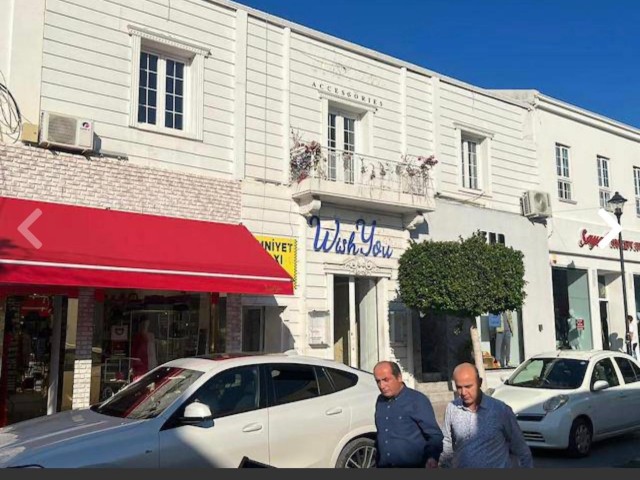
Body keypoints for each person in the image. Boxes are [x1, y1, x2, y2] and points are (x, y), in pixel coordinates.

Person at [439, 363, 533, 468]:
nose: (463, 392)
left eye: (468, 386)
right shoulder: (452, 408)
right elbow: (447, 446)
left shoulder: (500, 410)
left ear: (480, 382)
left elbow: (521, 449)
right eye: (459, 387)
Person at [373, 361, 443, 468]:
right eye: (378, 381)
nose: (382, 386)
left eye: (386, 380)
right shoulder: (380, 402)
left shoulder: (417, 400)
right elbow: (381, 435)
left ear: (399, 377)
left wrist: (432, 457)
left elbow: (435, 435)